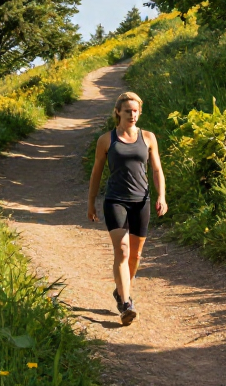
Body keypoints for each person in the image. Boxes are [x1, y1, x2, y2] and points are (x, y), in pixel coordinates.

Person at [88, 91, 167, 326]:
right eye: (127, 111)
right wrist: (91, 202)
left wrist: (161, 195)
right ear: (118, 113)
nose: (132, 115)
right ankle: (126, 303)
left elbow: (156, 169)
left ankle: (121, 290)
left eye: (136, 111)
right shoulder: (106, 140)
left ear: (139, 112)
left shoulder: (149, 138)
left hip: (141, 201)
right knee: (122, 252)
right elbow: (96, 172)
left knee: (136, 254)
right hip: (115, 200)